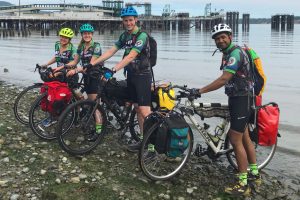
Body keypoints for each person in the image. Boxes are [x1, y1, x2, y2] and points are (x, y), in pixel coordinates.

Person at [193, 23, 261, 195]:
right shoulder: (227, 53)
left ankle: (243, 184)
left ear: (230, 36)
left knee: (235, 138)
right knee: (244, 137)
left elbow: (224, 78)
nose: (220, 40)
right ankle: (254, 173)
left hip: (242, 99)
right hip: (239, 98)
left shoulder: (235, 54)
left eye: (223, 37)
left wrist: (199, 91)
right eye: (217, 38)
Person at [90, 6, 152, 152]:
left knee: (144, 111)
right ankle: (143, 141)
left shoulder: (142, 36)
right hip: (131, 76)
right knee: (137, 108)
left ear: (136, 20)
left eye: (131, 20)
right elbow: (112, 51)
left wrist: (113, 70)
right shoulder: (125, 36)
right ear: (123, 22)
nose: (128, 23)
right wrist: (93, 63)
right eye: (126, 21)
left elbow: (131, 56)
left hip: (143, 76)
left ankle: (151, 148)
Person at [66, 23, 104, 140]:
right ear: (82, 35)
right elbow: (75, 61)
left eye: (88, 33)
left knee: (95, 105)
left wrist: (76, 71)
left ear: (92, 34)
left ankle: (99, 131)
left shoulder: (96, 46)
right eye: (84, 34)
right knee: (86, 99)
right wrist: (62, 67)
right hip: (86, 76)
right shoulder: (81, 47)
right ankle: (90, 118)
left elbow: (90, 64)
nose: (86, 35)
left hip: (95, 77)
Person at [40, 27, 78, 127]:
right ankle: (55, 115)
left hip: (70, 75)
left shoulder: (72, 49)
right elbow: (56, 58)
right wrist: (46, 64)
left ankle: (76, 115)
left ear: (69, 39)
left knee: (71, 96)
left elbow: (73, 64)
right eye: (62, 36)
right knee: (53, 94)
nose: (63, 38)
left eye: (66, 37)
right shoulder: (57, 44)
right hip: (59, 74)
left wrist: (62, 70)